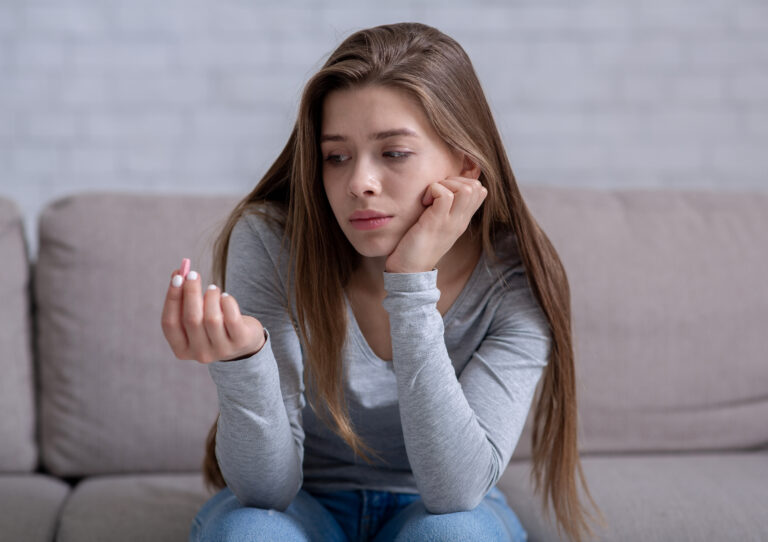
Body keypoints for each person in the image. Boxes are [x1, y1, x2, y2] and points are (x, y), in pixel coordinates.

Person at [161, 22, 604, 542]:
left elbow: (455, 493)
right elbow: (265, 490)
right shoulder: (271, 241)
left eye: (393, 153)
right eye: (336, 156)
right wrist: (244, 362)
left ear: (465, 163)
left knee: (455, 534)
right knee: (251, 532)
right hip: (303, 505)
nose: (358, 183)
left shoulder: (516, 278)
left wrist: (411, 282)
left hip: (431, 509)